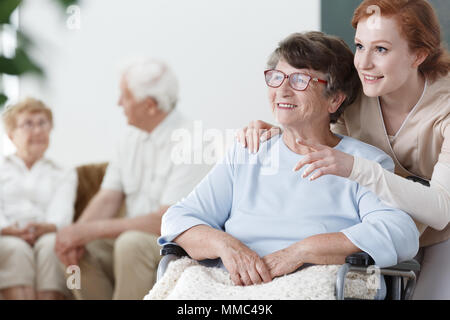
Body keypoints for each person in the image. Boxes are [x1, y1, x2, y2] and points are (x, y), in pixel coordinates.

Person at [157, 32, 419, 299]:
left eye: (299, 80)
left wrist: (302, 252)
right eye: (276, 77)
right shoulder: (249, 151)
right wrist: (226, 246)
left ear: (335, 99)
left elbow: (399, 232)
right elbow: (178, 218)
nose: (282, 90)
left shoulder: (363, 163)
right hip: (232, 283)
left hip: (315, 282)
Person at [237, 0, 450, 299]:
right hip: (384, 229)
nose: (363, 63)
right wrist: (280, 131)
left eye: (381, 49)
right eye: (360, 46)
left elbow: (441, 211)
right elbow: (324, 135)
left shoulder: (445, 109)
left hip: (442, 233)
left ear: (418, 55)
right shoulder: (358, 92)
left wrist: (357, 169)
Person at [54, 58, 212, 300]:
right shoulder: (129, 138)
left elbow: (166, 222)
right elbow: (108, 196)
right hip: (135, 236)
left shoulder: (193, 141)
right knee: (79, 248)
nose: (119, 103)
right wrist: (76, 234)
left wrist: (90, 230)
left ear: (149, 105)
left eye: (125, 96)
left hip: (176, 244)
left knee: (130, 243)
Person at [0, 98, 77, 300]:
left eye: (42, 123)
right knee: (15, 249)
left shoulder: (63, 173)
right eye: (28, 124)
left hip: (47, 233)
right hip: (6, 232)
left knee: (51, 246)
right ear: (11, 135)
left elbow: (62, 213)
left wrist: (46, 227)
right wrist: (7, 229)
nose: (37, 131)